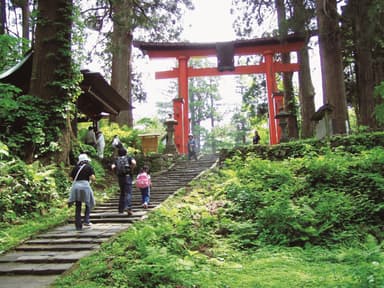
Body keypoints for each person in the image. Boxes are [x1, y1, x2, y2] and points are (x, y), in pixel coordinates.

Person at [68, 153, 96, 231]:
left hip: (76, 187)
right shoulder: (89, 167)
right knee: (88, 203)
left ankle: (78, 225)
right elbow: (93, 178)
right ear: (86, 160)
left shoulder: (75, 168)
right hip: (85, 186)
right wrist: (90, 181)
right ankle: (86, 220)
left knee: (78, 205)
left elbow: (70, 179)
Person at [111, 147, 136, 215]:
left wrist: (116, 173)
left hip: (120, 178)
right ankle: (128, 207)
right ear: (126, 152)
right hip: (127, 176)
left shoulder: (116, 159)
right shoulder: (129, 158)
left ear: (118, 153)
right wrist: (131, 169)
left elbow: (112, 167)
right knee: (128, 192)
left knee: (122, 193)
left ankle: (120, 209)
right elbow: (134, 163)